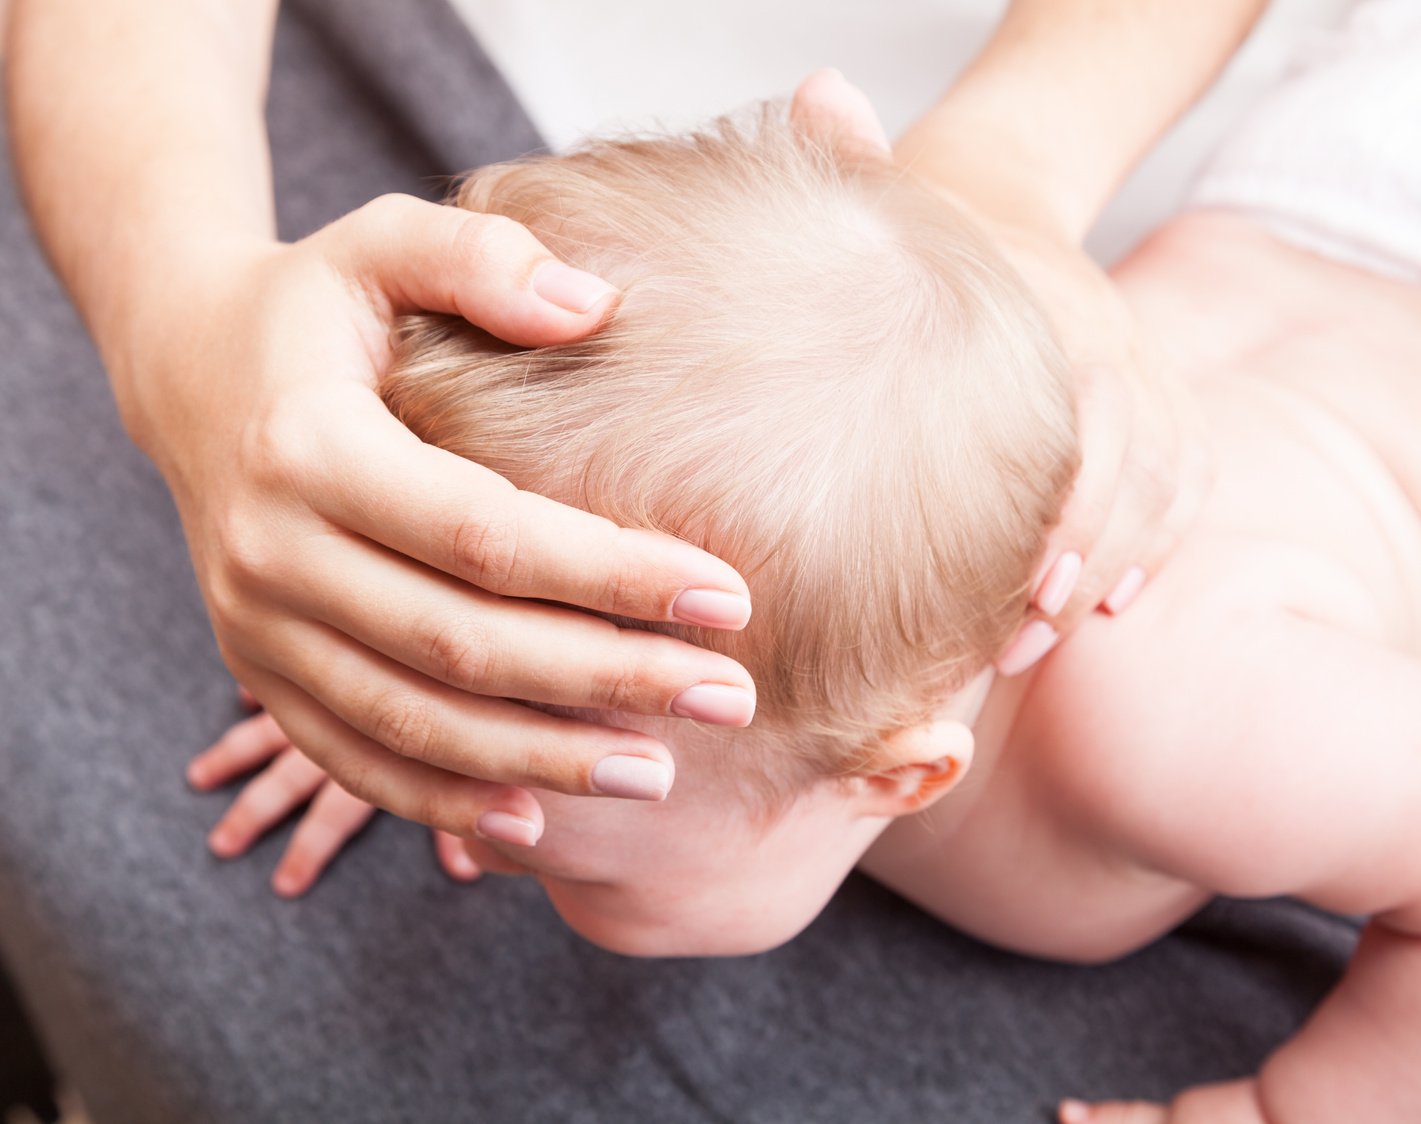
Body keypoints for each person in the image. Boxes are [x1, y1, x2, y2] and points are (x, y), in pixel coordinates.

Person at [3, 1, 1337, 1121]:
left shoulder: (1167, 737)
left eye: (556, 830)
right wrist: (394, 654)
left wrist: (1309, 1100)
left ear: (899, 773)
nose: (479, 837)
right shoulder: (821, 701)